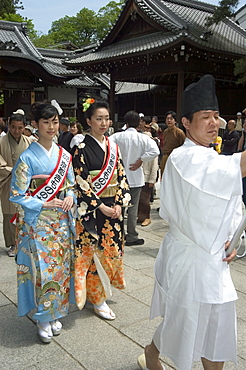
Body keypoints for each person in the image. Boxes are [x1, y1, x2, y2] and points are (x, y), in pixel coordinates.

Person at [137, 74, 243, 370]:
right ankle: (152, 352)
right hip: (190, 259)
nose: (213, 123)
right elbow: (231, 170)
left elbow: (234, 204)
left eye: (216, 116)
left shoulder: (212, 156)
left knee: (216, 328)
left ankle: (155, 352)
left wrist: (235, 240)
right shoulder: (185, 158)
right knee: (183, 322)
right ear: (186, 122)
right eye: (205, 117)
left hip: (216, 259)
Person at [9, 103, 76, 343]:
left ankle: (55, 311)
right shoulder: (27, 157)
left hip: (59, 224)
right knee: (42, 269)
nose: (51, 127)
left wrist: (69, 196)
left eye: (55, 122)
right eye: (46, 122)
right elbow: (16, 193)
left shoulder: (64, 155)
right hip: (37, 223)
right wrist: (44, 204)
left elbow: (70, 184)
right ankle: (42, 316)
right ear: (35, 125)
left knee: (59, 269)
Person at [72, 100, 131, 320]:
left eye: (106, 118)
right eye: (99, 118)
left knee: (112, 251)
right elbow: (80, 181)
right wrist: (100, 206)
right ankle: (98, 298)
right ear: (88, 121)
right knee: (95, 253)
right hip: (93, 210)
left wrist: (118, 203)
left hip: (113, 208)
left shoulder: (113, 147)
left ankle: (99, 291)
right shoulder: (81, 148)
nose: (104, 123)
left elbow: (122, 176)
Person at [110, 110, 159, 246]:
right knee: (132, 208)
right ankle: (131, 235)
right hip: (135, 178)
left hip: (118, 177)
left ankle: (117, 234)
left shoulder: (116, 137)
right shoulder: (142, 138)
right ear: (139, 123)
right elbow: (156, 151)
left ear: (125, 122)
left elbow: (106, 148)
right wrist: (141, 160)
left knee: (119, 206)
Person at [0, 113, 32, 257]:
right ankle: (12, 244)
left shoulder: (30, 142)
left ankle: (25, 242)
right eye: (13, 127)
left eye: (20, 128)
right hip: (8, 182)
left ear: (24, 127)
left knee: (25, 213)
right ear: (8, 125)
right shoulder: (1, 142)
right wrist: (12, 170)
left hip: (25, 182)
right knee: (9, 214)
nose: (17, 131)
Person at [137, 132, 159, 226]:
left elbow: (155, 167)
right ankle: (140, 216)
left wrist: (152, 179)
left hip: (147, 177)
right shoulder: (139, 149)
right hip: (138, 177)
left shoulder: (152, 151)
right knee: (138, 199)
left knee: (145, 199)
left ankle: (147, 217)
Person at [160, 111, 185, 176]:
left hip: (175, 158)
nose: (169, 120)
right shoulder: (165, 132)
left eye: (171, 119)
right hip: (165, 156)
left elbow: (183, 146)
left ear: (175, 121)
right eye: (167, 119)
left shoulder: (179, 132)